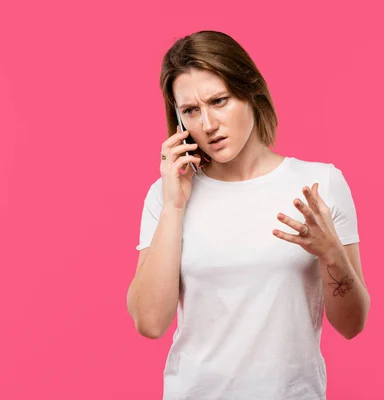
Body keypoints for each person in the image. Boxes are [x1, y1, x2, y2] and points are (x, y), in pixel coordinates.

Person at [127, 30, 371, 400]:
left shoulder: (319, 184)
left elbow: (352, 324)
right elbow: (149, 322)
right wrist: (174, 205)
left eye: (219, 101)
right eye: (191, 111)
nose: (207, 124)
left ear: (251, 92)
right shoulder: (166, 197)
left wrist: (330, 253)